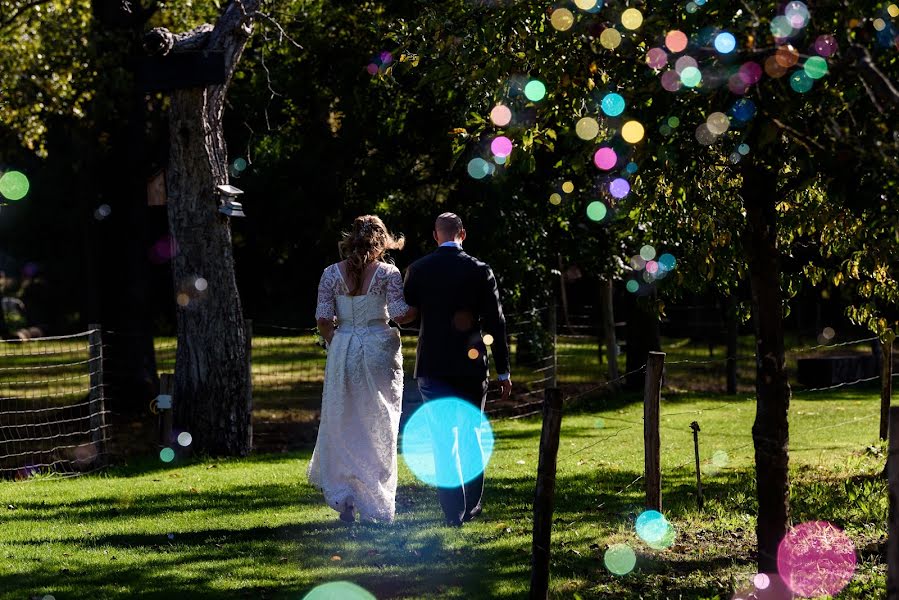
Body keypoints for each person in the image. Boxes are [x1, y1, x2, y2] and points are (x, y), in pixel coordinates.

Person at [403, 212, 512, 527]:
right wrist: (503, 370)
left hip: (432, 365)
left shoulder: (419, 269)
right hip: (470, 365)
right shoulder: (480, 271)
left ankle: (453, 512)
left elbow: (405, 314)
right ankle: (472, 505)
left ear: (436, 236)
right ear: (462, 234)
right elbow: (496, 322)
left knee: (441, 438)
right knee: (470, 435)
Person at [308, 215, 416, 523]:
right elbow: (399, 314)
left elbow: (323, 319)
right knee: (379, 420)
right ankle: (375, 500)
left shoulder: (331, 273)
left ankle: (346, 497)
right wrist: (420, 308)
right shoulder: (388, 273)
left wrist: (337, 344)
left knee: (344, 420)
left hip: (343, 349)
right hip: (378, 348)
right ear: (381, 241)